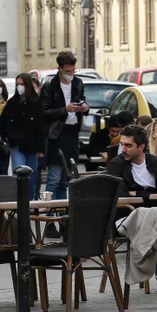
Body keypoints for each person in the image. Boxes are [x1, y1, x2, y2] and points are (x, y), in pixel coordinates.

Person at [106, 125, 157, 292]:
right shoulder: (116, 165)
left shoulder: (155, 162)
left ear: (141, 146)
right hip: (127, 216)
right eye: (122, 145)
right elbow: (122, 197)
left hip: (155, 215)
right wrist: (148, 195)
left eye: (128, 145)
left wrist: (138, 192)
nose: (123, 149)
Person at [40, 51, 89, 201]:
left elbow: (83, 100)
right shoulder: (50, 86)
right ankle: (49, 215)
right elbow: (43, 113)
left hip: (72, 133)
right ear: (59, 68)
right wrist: (64, 110)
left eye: (73, 71)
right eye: (68, 71)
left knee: (65, 181)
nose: (71, 74)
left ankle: (62, 215)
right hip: (56, 135)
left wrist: (84, 108)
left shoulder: (78, 83)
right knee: (54, 179)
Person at [0, 73, 47, 198]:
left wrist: (41, 149)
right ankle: (21, 201)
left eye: (22, 84)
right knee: (19, 173)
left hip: (32, 145)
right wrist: (7, 137)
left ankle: (31, 200)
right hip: (17, 145)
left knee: (33, 175)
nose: (20, 87)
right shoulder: (12, 103)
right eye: (18, 84)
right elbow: (1, 123)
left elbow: (41, 127)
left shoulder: (36, 102)